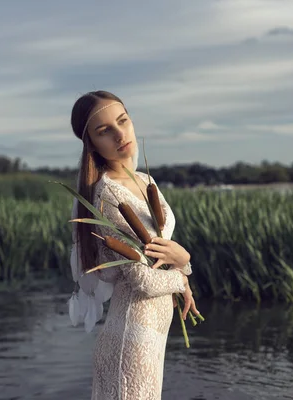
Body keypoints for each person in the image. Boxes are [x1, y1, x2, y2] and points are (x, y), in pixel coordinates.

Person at [68, 90, 200, 400]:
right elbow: (142, 279)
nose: (119, 134)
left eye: (122, 121)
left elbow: (159, 253)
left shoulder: (145, 181)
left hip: (153, 333)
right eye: (104, 131)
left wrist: (180, 266)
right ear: (92, 144)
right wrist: (183, 272)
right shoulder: (109, 196)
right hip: (132, 335)